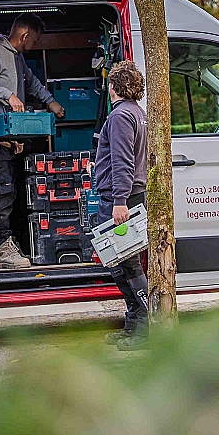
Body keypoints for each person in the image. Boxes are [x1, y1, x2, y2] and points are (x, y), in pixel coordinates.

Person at [0, 14, 64, 268]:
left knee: (17, 194)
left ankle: (13, 242)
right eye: (35, 39)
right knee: (4, 191)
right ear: (24, 36)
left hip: (13, 137)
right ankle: (3, 250)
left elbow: (32, 83)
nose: (35, 43)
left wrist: (50, 101)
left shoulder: (17, 57)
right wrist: (7, 95)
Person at [93, 60, 149, 349]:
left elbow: (123, 162)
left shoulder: (119, 117)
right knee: (123, 266)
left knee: (127, 267)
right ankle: (133, 325)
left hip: (119, 203)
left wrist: (118, 202)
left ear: (114, 86)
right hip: (132, 197)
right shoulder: (139, 113)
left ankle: (143, 331)